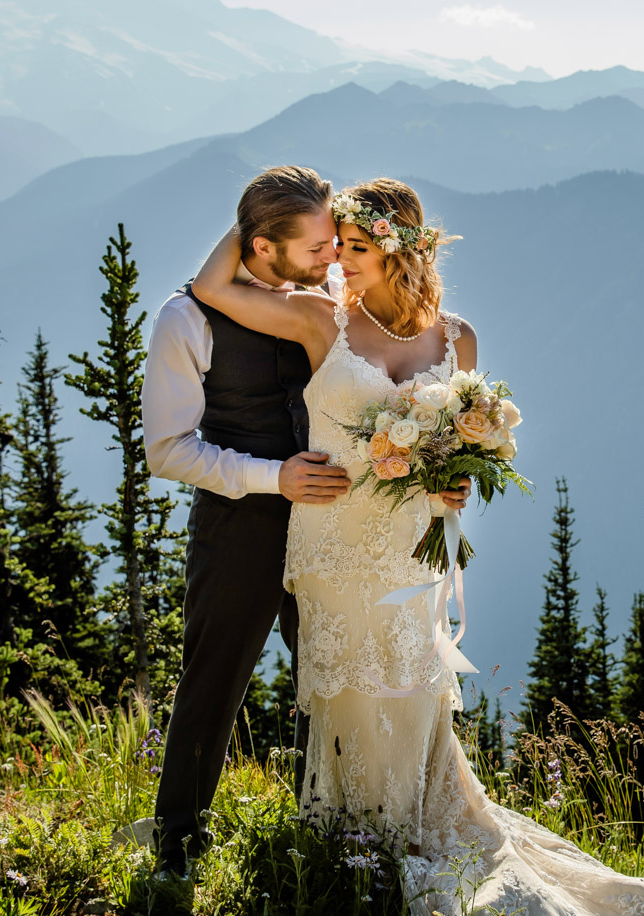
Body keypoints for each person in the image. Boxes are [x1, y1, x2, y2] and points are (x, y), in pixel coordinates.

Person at [191, 177, 644, 915]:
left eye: (358, 247)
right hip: (335, 543)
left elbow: (457, 448)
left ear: (402, 252)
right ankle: (348, 840)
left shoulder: (457, 337)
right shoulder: (319, 321)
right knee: (346, 688)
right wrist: (251, 219)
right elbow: (211, 286)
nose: (338, 258)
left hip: (414, 549)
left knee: (411, 690)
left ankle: (400, 833)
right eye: (337, 244)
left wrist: (456, 483)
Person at [141, 165, 470, 877]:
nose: (333, 263)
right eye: (319, 247)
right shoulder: (187, 320)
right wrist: (272, 478)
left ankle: (328, 835)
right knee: (216, 675)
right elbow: (166, 450)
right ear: (261, 247)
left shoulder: (323, 299)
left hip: (341, 527)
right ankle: (176, 845)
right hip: (244, 523)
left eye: (339, 244)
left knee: (332, 682)